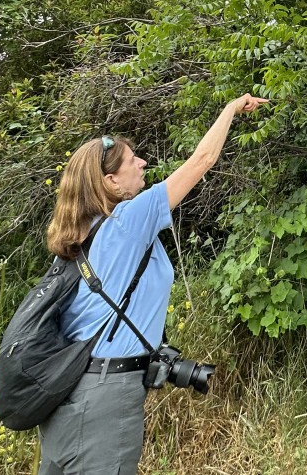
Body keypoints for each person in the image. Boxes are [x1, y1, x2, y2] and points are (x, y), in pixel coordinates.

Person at [38, 93, 268, 475]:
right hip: (105, 398)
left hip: (65, 394)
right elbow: (202, 161)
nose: (142, 163)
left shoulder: (78, 239)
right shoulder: (128, 220)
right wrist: (230, 109)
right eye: (132, 160)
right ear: (110, 180)